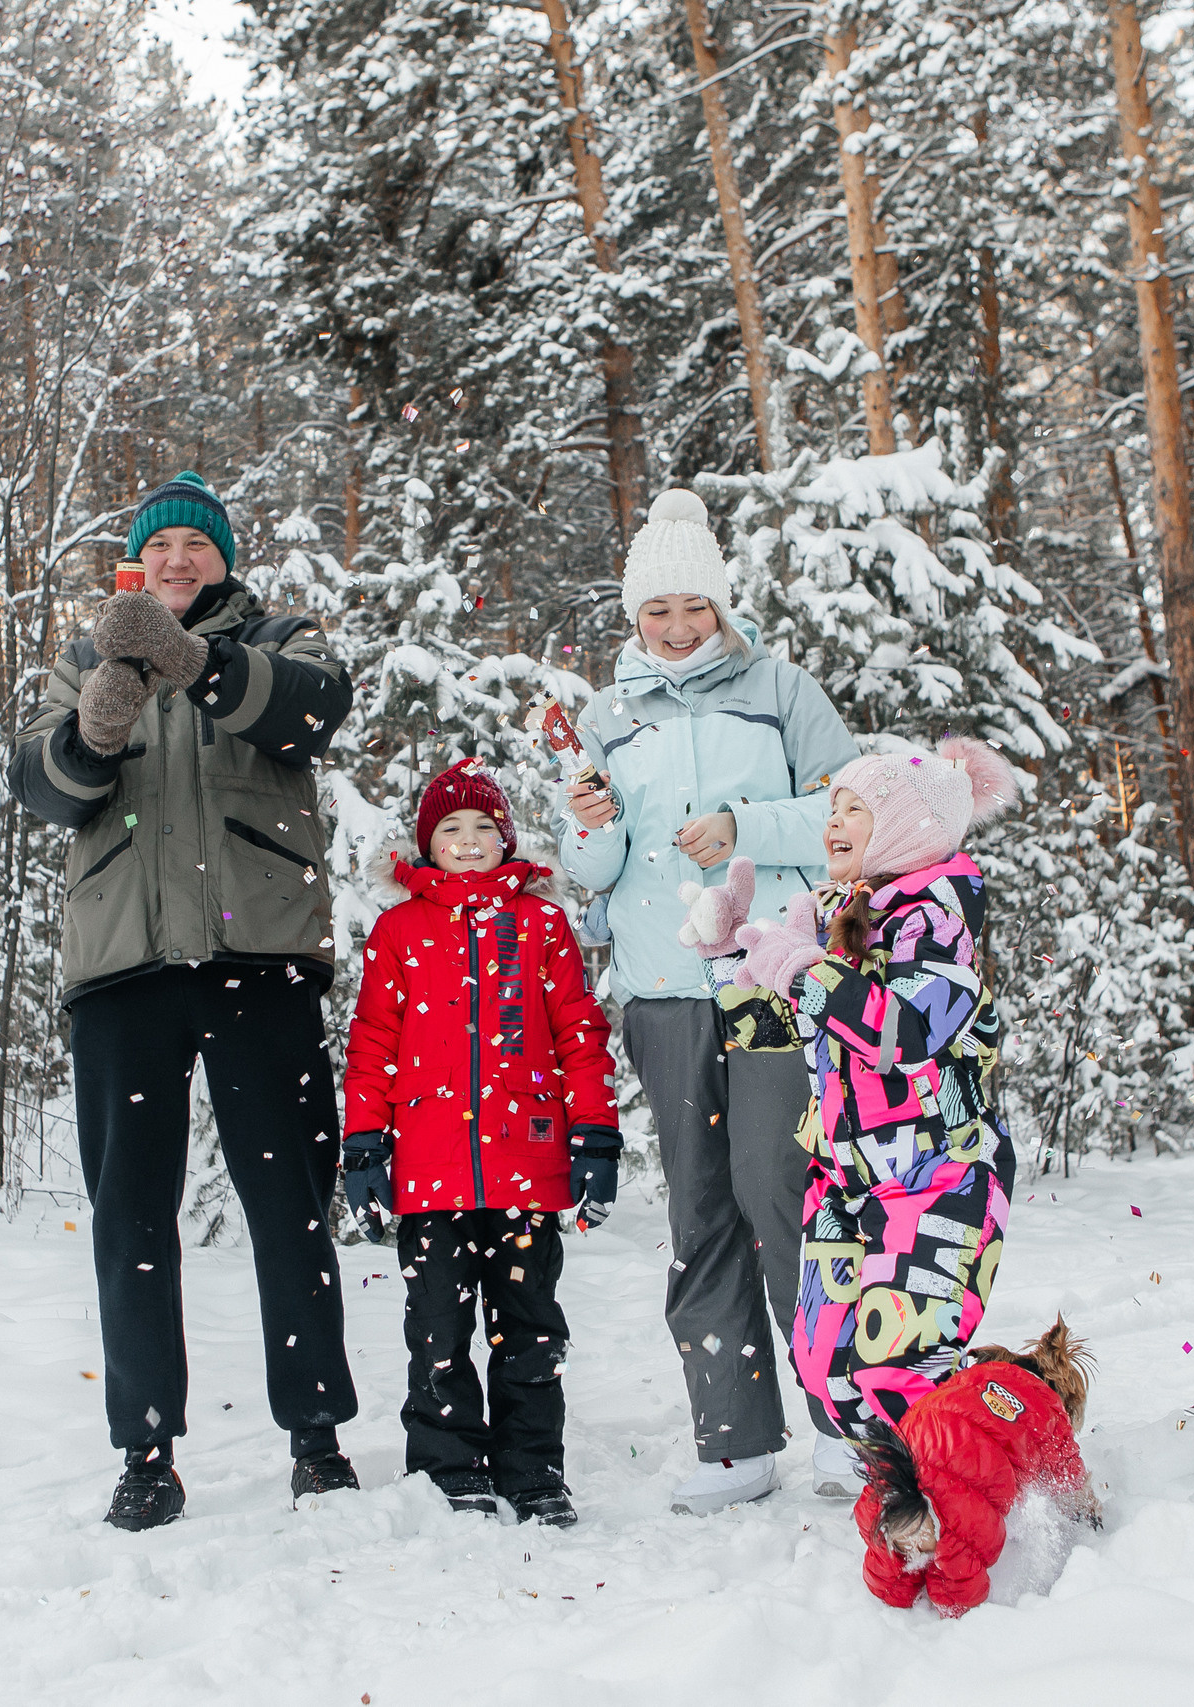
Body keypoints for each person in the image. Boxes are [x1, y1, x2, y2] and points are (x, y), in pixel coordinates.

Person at [6, 471, 361, 1532]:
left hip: (261, 959)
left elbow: (312, 717)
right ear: (136, 560)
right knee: (130, 1220)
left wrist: (194, 664)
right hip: (124, 974)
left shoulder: (282, 638)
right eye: (159, 548)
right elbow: (40, 790)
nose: (176, 562)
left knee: (291, 1207)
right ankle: (145, 1452)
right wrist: (100, 721)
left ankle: (316, 1438)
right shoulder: (81, 661)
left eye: (195, 548)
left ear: (223, 560)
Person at [561, 487, 859, 1515]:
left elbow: (844, 815)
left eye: (693, 607)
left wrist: (743, 829)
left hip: (766, 977)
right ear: (632, 617)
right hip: (661, 990)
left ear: (722, 606)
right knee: (699, 1208)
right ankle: (731, 1438)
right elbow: (590, 869)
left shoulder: (781, 689)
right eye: (656, 612)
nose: (677, 628)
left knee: (784, 1192)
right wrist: (588, 822)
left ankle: (838, 1424)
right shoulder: (607, 715)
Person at [704, 739, 1022, 1446]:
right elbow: (774, 1032)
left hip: (938, 1175)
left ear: (909, 827)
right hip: (847, 1183)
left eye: (857, 809)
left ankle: (970, 1497)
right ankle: (914, 1498)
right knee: (828, 1373)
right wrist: (733, 958)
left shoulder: (938, 917)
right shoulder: (836, 911)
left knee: (899, 1369)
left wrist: (805, 971)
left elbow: (904, 1030)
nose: (834, 823)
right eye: (833, 808)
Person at [340, 759, 622, 1527]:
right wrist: (364, 1146)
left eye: (483, 829)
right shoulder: (400, 930)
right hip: (430, 1171)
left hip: (525, 1164)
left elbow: (579, 1036)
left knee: (530, 1325)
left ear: (508, 838)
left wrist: (595, 1133)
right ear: (428, 844)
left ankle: (533, 1469)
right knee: (436, 1326)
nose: (468, 843)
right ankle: (447, 1463)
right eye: (450, 830)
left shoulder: (537, 925)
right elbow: (372, 1045)